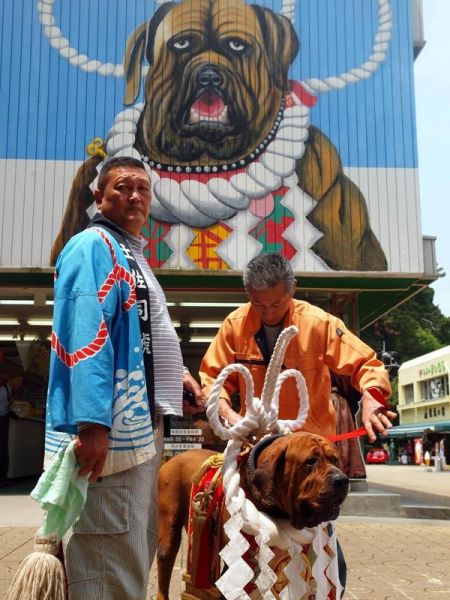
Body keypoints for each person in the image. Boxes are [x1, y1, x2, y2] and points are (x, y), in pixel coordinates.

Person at [45, 156, 204, 600]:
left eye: (142, 188)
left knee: (129, 547)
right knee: (107, 551)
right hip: (109, 437)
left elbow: (141, 335)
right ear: (99, 196)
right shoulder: (92, 244)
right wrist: (93, 424)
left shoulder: (127, 251)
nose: (134, 196)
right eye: (121, 187)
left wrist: (178, 379)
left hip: (135, 433)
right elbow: (86, 331)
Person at [200, 253, 395, 442]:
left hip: (310, 442)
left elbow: (366, 364)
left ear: (292, 289)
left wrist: (373, 397)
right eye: (258, 303)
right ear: (247, 293)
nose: (268, 312)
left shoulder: (319, 324)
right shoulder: (234, 325)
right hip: (256, 439)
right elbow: (213, 379)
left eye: (276, 304)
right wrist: (231, 418)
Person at [0, 375, 22, 486]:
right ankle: (2, 479)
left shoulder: (9, 392)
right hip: (1, 420)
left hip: (3, 420)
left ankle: (3, 478)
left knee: (4, 450)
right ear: (12, 380)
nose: (19, 385)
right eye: (18, 381)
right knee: (2, 450)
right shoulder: (3, 391)